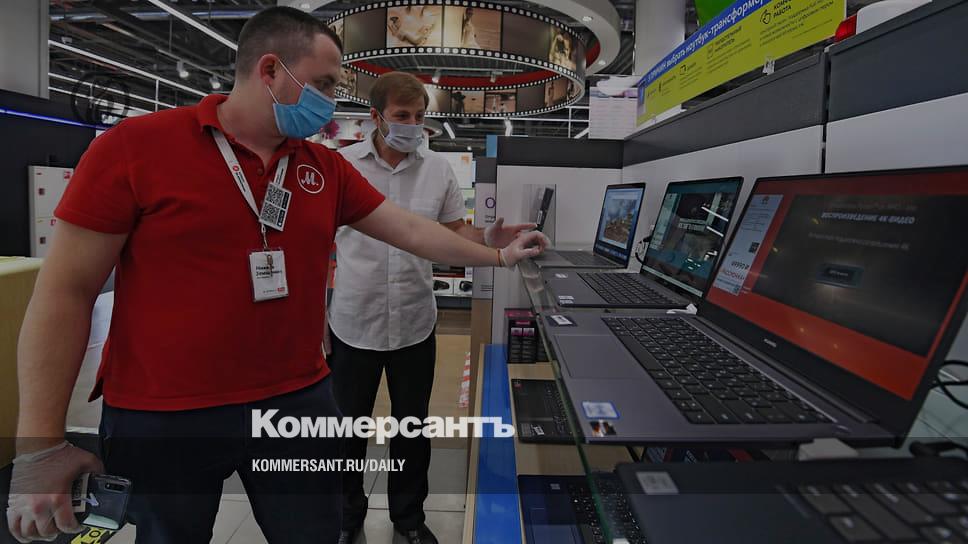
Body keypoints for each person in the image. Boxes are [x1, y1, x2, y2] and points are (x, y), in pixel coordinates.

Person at [6, 7, 546, 544]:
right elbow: (65, 293)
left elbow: (409, 229)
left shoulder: (323, 167)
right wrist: (39, 447)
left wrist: (497, 256)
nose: (331, 100)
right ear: (270, 70)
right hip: (164, 412)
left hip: (294, 403)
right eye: (324, 83)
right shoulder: (134, 147)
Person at [326, 71, 534, 544]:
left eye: (419, 116)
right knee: (346, 430)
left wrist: (487, 238)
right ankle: (345, 517)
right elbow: (319, 244)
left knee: (412, 428)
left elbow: (453, 232)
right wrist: (316, 316)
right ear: (376, 117)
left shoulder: (437, 169)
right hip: (354, 321)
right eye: (402, 115)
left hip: (415, 322)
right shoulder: (342, 167)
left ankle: (408, 519)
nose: (412, 125)